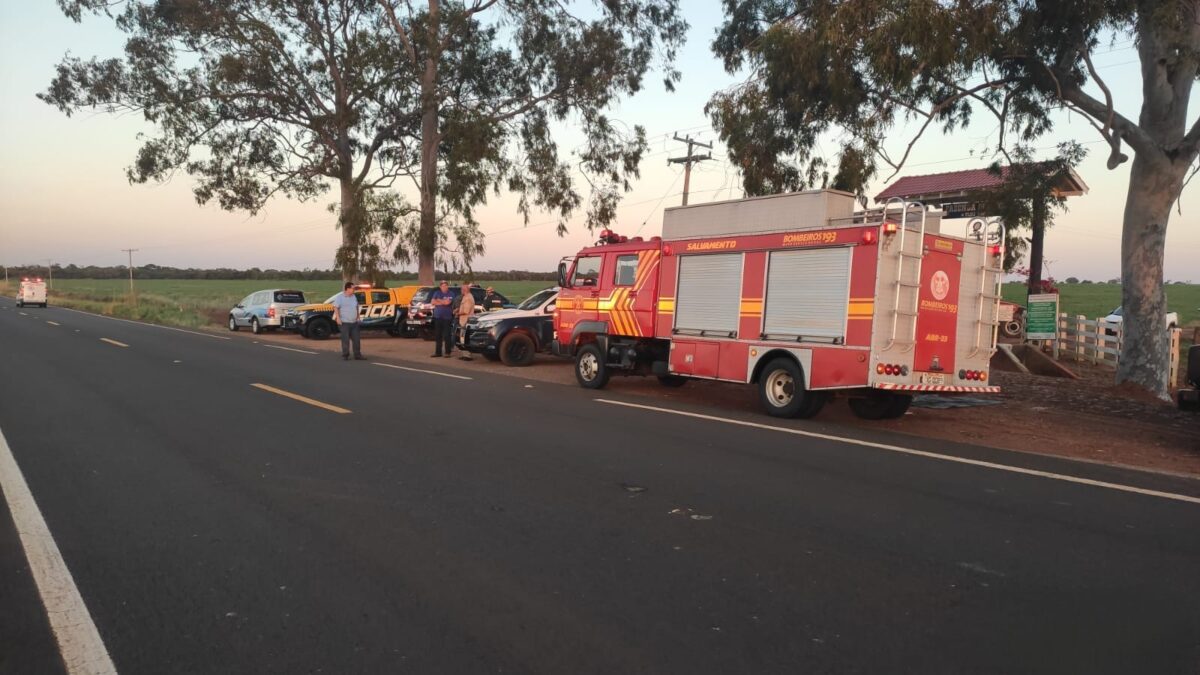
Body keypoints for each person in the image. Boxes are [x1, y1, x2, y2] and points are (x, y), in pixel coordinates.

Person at [331, 281, 364, 361]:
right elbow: (335, 307)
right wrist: (338, 318)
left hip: (354, 322)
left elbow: (356, 306)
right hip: (344, 322)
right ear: (348, 289)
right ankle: (345, 355)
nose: (354, 290)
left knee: (356, 339)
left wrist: (358, 316)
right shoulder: (340, 297)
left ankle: (357, 355)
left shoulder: (354, 297)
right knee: (345, 339)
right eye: (353, 288)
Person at [430, 280, 455, 357]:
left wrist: (438, 300)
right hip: (438, 317)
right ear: (440, 286)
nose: (444, 287)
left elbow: (448, 303)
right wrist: (442, 301)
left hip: (447, 317)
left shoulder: (451, 294)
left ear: (447, 286)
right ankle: (438, 352)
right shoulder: (437, 293)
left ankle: (447, 352)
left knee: (447, 335)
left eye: (445, 285)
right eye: (442, 286)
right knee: (438, 335)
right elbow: (432, 302)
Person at [455, 282, 476, 360]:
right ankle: (464, 354)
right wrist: (458, 309)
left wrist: (458, 313)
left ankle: (468, 355)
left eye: (461, 289)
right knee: (462, 338)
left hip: (466, 320)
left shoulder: (468, 298)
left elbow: (466, 311)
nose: (461, 290)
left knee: (465, 338)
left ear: (465, 290)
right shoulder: (465, 297)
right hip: (463, 320)